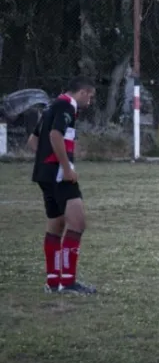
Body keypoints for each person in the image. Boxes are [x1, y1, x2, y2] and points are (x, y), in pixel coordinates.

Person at [31, 77, 98, 294]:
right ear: (83, 92)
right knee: (77, 224)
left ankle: (53, 283)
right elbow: (54, 134)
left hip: (45, 174)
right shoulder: (67, 105)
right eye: (91, 96)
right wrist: (65, 167)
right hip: (60, 174)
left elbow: (33, 141)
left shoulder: (52, 106)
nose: (91, 101)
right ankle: (68, 283)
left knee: (56, 226)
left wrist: (45, 160)